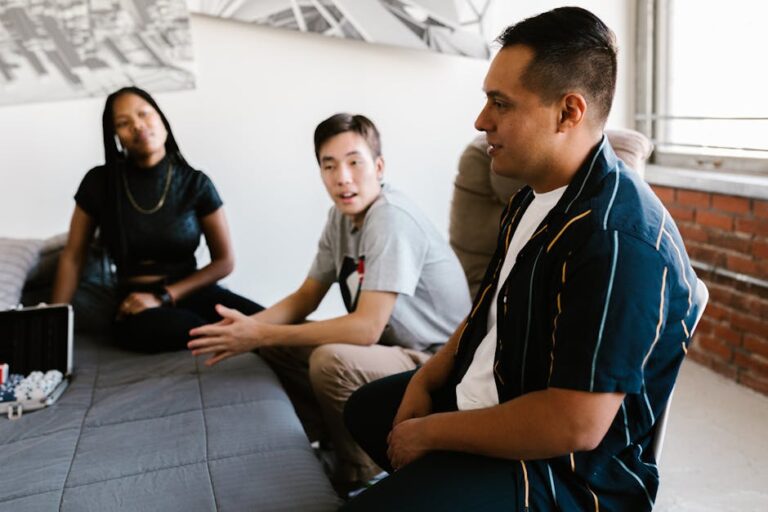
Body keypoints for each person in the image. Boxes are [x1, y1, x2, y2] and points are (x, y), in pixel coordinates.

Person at [342, 7, 701, 511]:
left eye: (500, 103)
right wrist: (428, 378)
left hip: (569, 473)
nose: (481, 120)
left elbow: (574, 422)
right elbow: (487, 311)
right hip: (509, 389)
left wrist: (433, 434)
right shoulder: (530, 197)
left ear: (568, 112)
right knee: (366, 409)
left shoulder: (617, 240)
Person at [188, 113, 470, 490]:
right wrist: (248, 328)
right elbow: (307, 296)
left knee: (329, 360)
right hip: (390, 349)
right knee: (274, 342)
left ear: (379, 166)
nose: (343, 177)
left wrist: (261, 334)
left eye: (355, 162)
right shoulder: (340, 218)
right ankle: (325, 440)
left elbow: (366, 328)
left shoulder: (391, 219)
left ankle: (362, 472)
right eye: (329, 165)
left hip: (435, 359)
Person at [52, 86, 263, 352]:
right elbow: (73, 257)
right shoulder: (99, 183)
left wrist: (163, 296)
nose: (138, 126)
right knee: (193, 327)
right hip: (135, 306)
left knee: (267, 323)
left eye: (144, 114)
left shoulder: (195, 183)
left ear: (162, 120)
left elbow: (224, 262)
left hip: (191, 292)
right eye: (124, 123)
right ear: (116, 136)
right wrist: (54, 322)